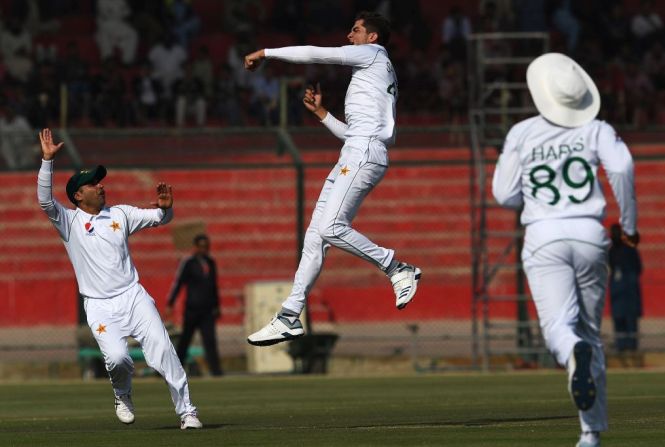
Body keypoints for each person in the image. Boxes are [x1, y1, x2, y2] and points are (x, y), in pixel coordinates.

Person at [243, 11, 422, 346]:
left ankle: (397, 268)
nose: (349, 34)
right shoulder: (370, 71)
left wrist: (267, 53)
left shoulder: (371, 55)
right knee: (315, 235)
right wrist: (323, 115)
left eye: (355, 30)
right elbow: (354, 134)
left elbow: (315, 52)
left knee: (329, 228)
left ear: (372, 37)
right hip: (357, 151)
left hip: (364, 154)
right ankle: (289, 316)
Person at [492, 53, 638, 447]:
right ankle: (590, 433)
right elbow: (622, 168)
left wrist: (536, 195)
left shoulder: (521, 133)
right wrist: (629, 226)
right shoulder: (597, 129)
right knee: (591, 333)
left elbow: (504, 194)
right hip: (591, 233)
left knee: (560, 328)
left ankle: (572, 353)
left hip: (544, 234)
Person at [36, 128, 202, 430]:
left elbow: (160, 219)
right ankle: (122, 394)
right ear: (78, 195)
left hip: (133, 296)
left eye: (100, 182)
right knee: (118, 358)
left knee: (164, 350)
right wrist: (47, 162)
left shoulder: (120, 214)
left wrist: (167, 210)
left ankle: (187, 412)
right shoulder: (69, 221)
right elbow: (45, 202)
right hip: (99, 306)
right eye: (92, 184)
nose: (100, 187)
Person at [166, 234, 223, 376]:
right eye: (202, 246)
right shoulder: (189, 263)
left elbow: (214, 286)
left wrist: (216, 305)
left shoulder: (211, 263)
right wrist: (170, 302)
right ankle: (175, 369)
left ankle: (216, 372)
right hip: (192, 309)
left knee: (210, 341)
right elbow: (178, 283)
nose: (204, 249)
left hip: (207, 311)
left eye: (206, 246)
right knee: (185, 340)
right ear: (196, 247)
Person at [608, 223, 643, 353]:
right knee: (620, 318)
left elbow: (638, 268)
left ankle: (630, 347)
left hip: (628, 289)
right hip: (619, 290)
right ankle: (622, 346)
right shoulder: (612, 251)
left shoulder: (629, 249)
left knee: (629, 318)